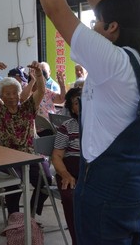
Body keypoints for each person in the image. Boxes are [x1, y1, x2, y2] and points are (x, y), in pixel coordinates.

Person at [8, 0, 140, 244]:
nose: (94, 28)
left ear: (113, 28)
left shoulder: (113, 62)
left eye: (98, 23)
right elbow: (113, 14)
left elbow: (56, 10)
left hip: (108, 189)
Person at [0, 61, 51, 217]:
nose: (11, 97)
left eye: (14, 93)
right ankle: (14, 219)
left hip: (31, 155)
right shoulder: (0, 112)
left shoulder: (27, 107)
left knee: (46, 181)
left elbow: (41, 92)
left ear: (19, 93)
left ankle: (31, 214)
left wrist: (38, 75)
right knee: (15, 185)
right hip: (8, 157)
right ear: (1, 95)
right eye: (7, 93)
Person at [52, 87, 81, 245]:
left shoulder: (100, 125)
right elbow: (56, 156)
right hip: (70, 169)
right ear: (72, 109)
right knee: (70, 198)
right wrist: (65, 174)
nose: (81, 105)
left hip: (93, 171)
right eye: (76, 103)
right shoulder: (67, 127)